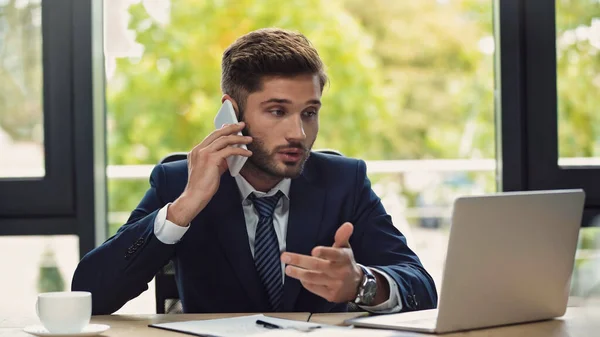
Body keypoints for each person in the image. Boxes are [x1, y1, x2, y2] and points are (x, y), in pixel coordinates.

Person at [72, 28, 437, 315]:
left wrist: (361, 283)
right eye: (277, 111)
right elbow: (88, 295)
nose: (298, 133)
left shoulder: (344, 181)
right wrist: (182, 209)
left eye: (309, 113)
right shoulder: (179, 182)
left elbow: (423, 286)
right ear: (232, 113)